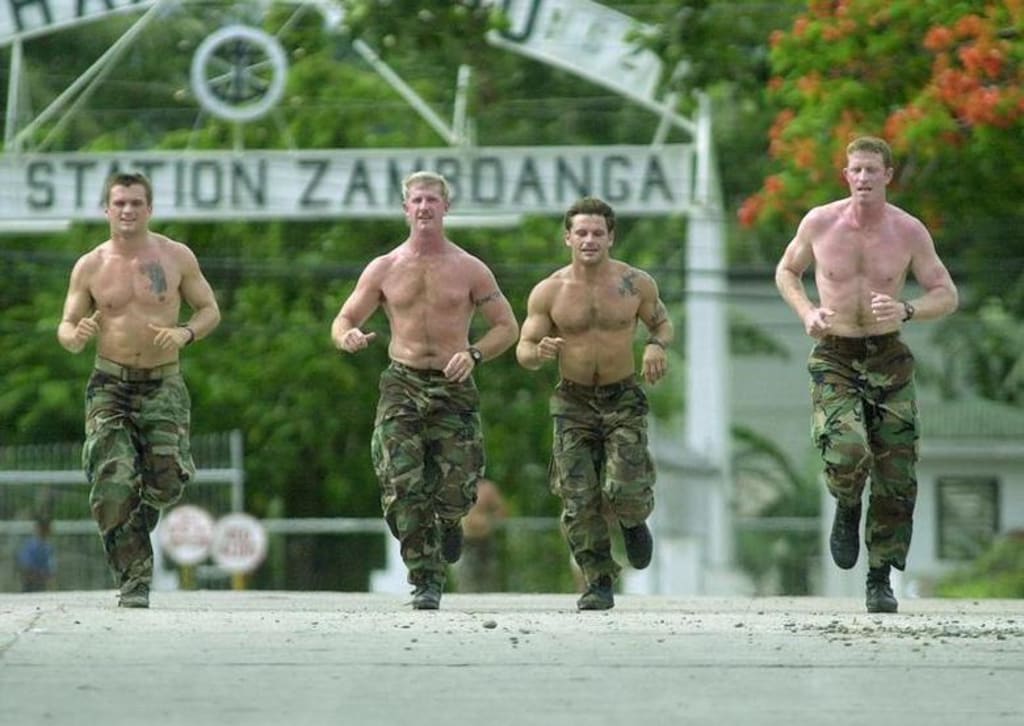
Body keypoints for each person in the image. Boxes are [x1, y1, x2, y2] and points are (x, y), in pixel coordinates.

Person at [775, 136, 958, 613]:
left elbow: (946, 293)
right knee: (848, 451)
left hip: (888, 356)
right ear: (846, 175)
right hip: (834, 354)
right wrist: (807, 313)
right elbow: (787, 271)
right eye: (855, 170)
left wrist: (907, 309)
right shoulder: (820, 223)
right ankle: (847, 502)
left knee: (897, 474)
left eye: (872, 170)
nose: (863, 178)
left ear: (887, 175)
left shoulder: (908, 231)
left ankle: (879, 579)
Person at [330, 170, 519, 610]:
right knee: (402, 484)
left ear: (445, 207)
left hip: (454, 385)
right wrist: (347, 337)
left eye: (432, 200)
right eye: (416, 200)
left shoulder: (470, 269)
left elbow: (507, 327)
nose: (424, 207)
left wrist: (474, 354)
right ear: (405, 209)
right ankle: (426, 579)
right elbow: (343, 319)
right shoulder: (385, 268)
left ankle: (450, 520)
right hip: (403, 382)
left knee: (457, 489)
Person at [57, 171, 221, 608]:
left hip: (163, 382)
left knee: (166, 482)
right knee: (113, 481)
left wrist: (186, 333)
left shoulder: (176, 257)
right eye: (120, 203)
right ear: (106, 210)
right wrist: (75, 336)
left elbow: (209, 309)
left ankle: (137, 509)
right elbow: (67, 325)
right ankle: (134, 581)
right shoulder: (91, 265)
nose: (127, 210)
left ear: (149, 209)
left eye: (135, 203)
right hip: (109, 385)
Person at [516, 196, 673, 611]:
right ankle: (598, 581)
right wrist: (539, 352)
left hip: (622, 398)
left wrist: (656, 345)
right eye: (581, 232)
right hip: (573, 401)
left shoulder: (635, 283)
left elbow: (661, 322)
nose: (589, 240)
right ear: (567, 238)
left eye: (597, 233)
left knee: (624, 487)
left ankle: (633, 519)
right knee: (578, 497)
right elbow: (524, 349)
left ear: (611, 237)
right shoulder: (549, 291)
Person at [457, 477, 508, 592]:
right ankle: (466, 597)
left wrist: (488, 521)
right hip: (465, 539)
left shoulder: (487, 488)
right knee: (466, 575)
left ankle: (490, 597)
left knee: (488, 575)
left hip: (484, 539)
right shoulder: (458, 487)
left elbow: (502, 511)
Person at [15, 517, 56, 592]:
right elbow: (24, 566)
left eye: (47, 528)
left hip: (42, 585)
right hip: (29, 585)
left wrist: (46, 576)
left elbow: (51, 569)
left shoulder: (49, 547)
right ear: (38, 528)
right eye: (43, 528)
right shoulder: (29, 545)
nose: (45, 531)